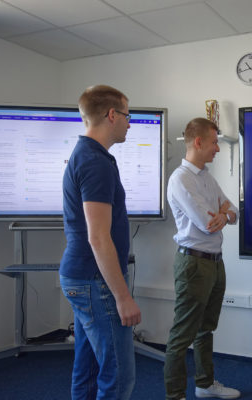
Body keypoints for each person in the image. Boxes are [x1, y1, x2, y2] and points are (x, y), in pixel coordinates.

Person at [59, 85, 141, 400]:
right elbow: (98, 236)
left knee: (89, 371)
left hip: (83, 276)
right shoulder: (95, 162)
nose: (130, 123)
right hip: (95, 281)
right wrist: (123, 297)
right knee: (118, 377)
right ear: (111, 115)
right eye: (127, 115)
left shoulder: (87, 155)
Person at [164, 118, 240, 400]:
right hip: (193, 264)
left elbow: (233, 211)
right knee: (183, 334)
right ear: (198, 142)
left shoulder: (206, 177)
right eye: (213, 142)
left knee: (206, 328)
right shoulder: (180, 179)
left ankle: (204, 385)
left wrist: (225, 213)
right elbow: (206, 222)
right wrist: (221, 213)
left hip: (214, 262)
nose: (217, 148)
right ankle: (175, 395)